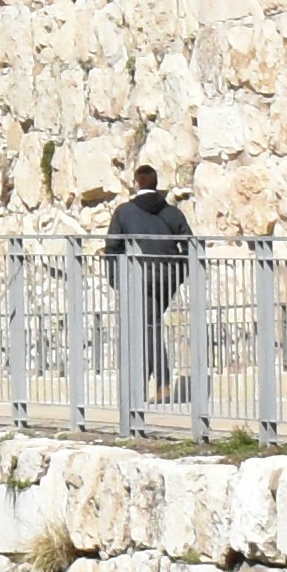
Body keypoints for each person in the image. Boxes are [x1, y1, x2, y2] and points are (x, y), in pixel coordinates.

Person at [102, 165, 195, 405]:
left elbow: (112, 247)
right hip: (169, 278)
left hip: (140, 277)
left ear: (136, 184)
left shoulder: (124, 212)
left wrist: (116, 280)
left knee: (149, 328)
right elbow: (189, 246)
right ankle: (142, 386)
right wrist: (179, 272)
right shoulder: (173, 213)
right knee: (148, 325)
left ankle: (162, 384)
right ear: (155, 184)